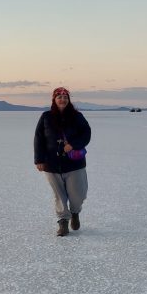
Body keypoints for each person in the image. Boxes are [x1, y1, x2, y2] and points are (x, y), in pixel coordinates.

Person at [34, 87, 91, 237]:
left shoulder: (77, 116)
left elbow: (86, 134)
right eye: (59, 97)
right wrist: (39, 159)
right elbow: (39, 138)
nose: (62, 99)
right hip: (51, 164)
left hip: (74, 164)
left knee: (77, 194)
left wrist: (73, 144)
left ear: (68, 100)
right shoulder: (46, 117)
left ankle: (75, 212)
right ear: (54, 100)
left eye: (65, 97)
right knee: (59, 195)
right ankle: (63, 222)